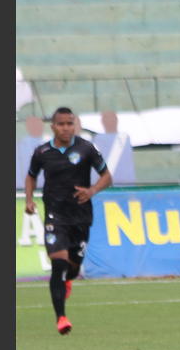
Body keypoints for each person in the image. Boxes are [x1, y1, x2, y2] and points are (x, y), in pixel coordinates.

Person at [24, 107, 113, 335]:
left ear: (75, 125)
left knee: (72, 268)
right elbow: (31, 175)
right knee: (59, 263)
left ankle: (69, 280)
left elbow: (107, 176)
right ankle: (61, 318)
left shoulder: (86, 148)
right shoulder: (42, 152)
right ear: (53, 126)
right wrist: (29, 199)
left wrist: (92, 190)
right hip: (55, 215)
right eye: (61, 124)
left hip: (81, 216)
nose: (66, 128)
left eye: (69, 123)